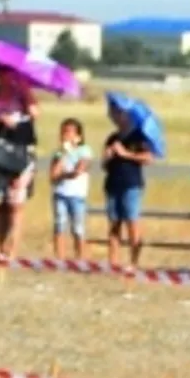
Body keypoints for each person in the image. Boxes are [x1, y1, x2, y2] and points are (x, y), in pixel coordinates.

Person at [0, 65, 37, 260]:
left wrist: (25, 92)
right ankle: (1, 248)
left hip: (21, 150)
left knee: (16, 203)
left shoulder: (23, 94)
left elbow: (35, 113)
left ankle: (12, 250)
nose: (5, 78)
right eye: (1, 74)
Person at [101, 98, 151, 267]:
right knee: (114, 224)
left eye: (116, 112)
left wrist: (126, 154)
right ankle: (113, 261)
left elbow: (147, 158)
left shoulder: (138, 136)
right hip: (113, 183)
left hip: (131, 183)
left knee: (132, 221)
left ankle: (133, 262)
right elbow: (104, 166)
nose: (113, 116)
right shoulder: (112, 138)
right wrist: (107, 158)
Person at [49, 117, 91, 259]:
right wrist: (64, 153)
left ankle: (81, 258)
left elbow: (78, 171)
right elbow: (53, 175)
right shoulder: (59, 153)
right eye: (63, 132)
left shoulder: (84, 151)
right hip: (60, 193)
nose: (65, 135)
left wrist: (63, 174)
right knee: (59, 225)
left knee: (78, 227)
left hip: (77, 195)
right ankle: (59, 257)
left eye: (69, 132)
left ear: (78, 136)